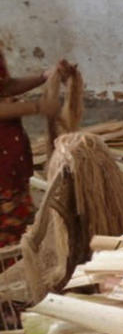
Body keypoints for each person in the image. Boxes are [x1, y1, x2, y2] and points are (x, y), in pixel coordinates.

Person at [0, 50, 60, 248]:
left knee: (18, 217)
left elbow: (6, 86)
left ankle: (19, 259)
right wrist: (37, 107)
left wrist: (43, 77)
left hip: (9, 158)